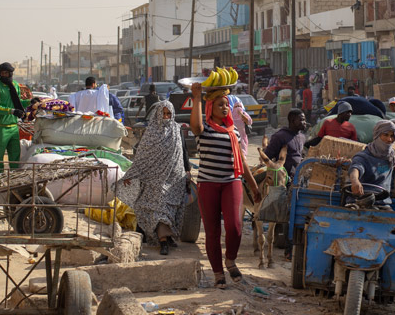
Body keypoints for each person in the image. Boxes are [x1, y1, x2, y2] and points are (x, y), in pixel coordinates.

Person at [189, 81, 261, 289]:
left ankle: (230, 260)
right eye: (220, 104)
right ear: (210, 107)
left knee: (235, 227)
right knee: (212, 231)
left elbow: (242, 161)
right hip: (208, 184)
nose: (225, 108)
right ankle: (218, 273)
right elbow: (195, 126)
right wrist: (197, 97)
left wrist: (253, 186)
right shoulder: (203, 130)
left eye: (226, 105)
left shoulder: (233, 132)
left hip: (231, 182)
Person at [119, 101, 188, 256]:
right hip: (154, 180)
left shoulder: (177, 130)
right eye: (163, 113)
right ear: (157, 114)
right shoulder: (151, 133)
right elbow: (142, 158)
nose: (166, 117)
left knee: (171, 210)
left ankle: (167, 237)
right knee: (159, 209)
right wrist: (131, 174)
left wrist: (188, 171)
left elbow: (183, 152)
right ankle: (163, 241)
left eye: (168, 114)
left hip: (175, 180)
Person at [0, 63, 31, 175]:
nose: (4, 75)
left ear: (11, 73)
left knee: (15, 155)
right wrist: (11, 111)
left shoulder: (15, 85)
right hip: (0, 126)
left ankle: (13, 179)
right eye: (2, 73)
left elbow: (18, 102)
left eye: (6, 73)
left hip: (13, 126)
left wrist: (30, 102)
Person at [264, 109, 306, 180]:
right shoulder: (279, 137)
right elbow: (267, 156)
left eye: (305, 120)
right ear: (293, 121)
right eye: (302, 120)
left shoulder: (302, 137)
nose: (305, 122)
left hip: (298, 176)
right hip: (283, 178)